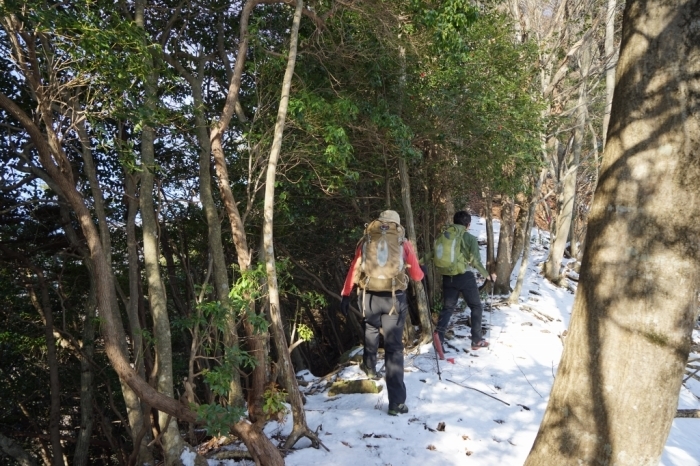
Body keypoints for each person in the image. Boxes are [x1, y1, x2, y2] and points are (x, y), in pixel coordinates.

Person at [340, 210, 424, 416]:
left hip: (369, 296)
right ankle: (396, 403)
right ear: (396, 224)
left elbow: (355, 268)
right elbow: (415, 275)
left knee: (370, 327)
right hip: (394, 298)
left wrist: (345, 294)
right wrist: (422, 272)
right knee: (394, 348)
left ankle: (369, 366)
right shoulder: (403, 242)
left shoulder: (367, 240)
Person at [436, 211, 496, 351]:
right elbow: (475, 261)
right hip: (464, 276)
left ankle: (438, 337)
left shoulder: (444, 236)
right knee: (476, 306)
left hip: (447, 276)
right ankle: (476, 340)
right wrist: (487, 275)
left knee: (448, 308)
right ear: (468, 225)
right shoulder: (469, 238)